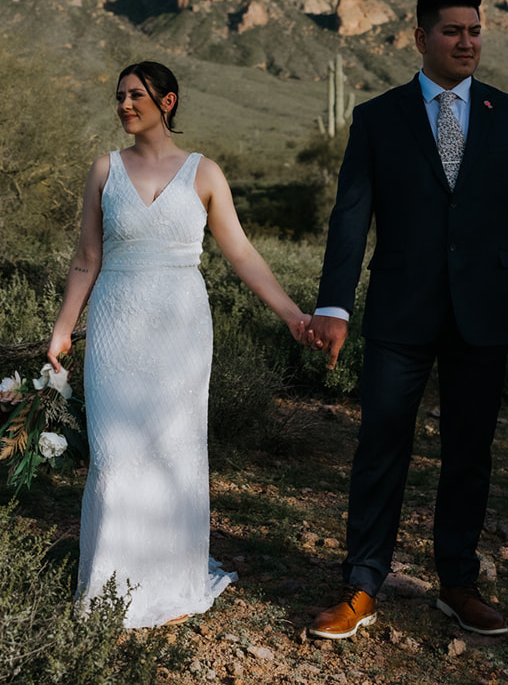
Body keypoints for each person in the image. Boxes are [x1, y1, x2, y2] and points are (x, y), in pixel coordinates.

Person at [302, 0, 508, 640]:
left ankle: (458, 585)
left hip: (488, 310)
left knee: (469, 451)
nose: (467, 41)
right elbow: (350, 218)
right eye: (452, 31)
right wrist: (333, 303)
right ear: (420, 39)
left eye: (475, 30)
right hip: (400, 308)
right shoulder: (377, 118)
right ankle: (363, 585)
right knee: (380, 446)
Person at [45, 61, 310, 628]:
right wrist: (64, 327)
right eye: (118, 96)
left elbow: (239, 252)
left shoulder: (204, 173)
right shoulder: (103, 170)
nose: (123, 105)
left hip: (182, 330)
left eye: (136, 95)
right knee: (115, 458)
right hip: (117, 325)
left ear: (167, 102)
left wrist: (290, 313)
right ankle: (109, 588)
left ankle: (170, 581)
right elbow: (87, 257)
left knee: (174, 452)